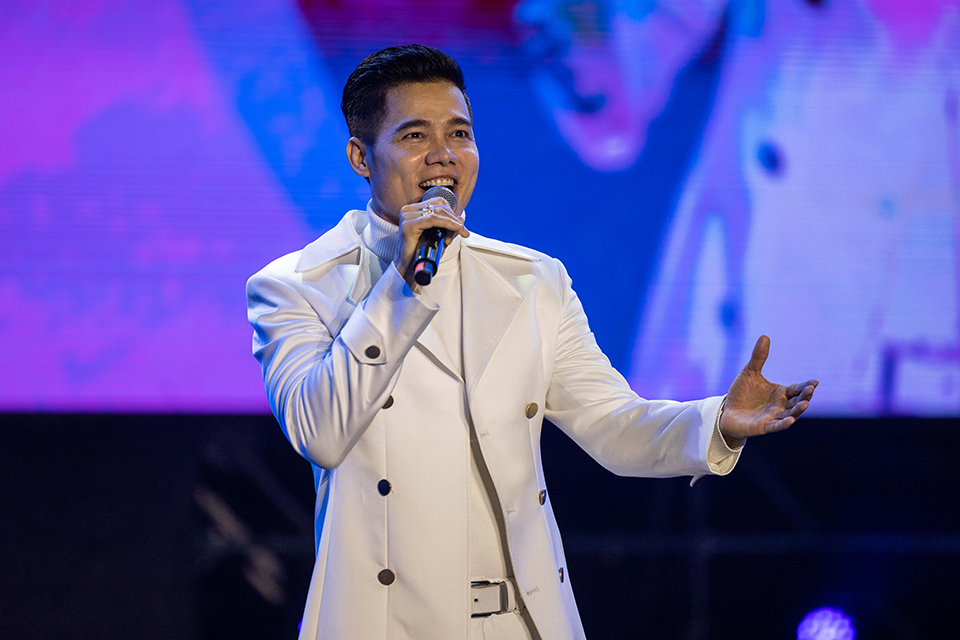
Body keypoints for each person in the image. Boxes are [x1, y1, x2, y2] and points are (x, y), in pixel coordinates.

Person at [246, 44, 817, 640]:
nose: (444, 154)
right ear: (360, 157)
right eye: (415, 136)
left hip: (520, 622)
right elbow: (322, 433)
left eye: (459, 133)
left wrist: (718, 421)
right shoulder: (296, 286)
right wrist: (401, 288)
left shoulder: (531, 281)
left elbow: (613, 426)